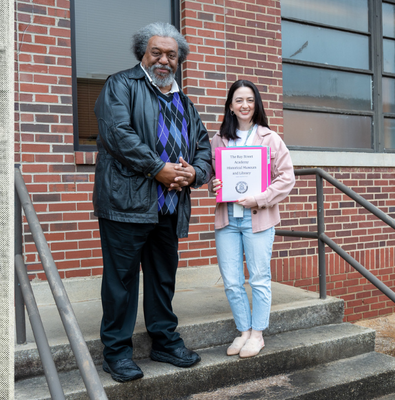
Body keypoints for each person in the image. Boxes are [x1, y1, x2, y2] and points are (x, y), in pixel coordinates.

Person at [92, 22, 213, 382]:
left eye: (171, 55)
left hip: (169, 205)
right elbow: (117, 135)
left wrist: (195, 173)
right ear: (142, 54)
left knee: (163, 278)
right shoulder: (120, 85)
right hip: (126, 204)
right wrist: (158, 168)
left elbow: (204, 148)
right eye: (156, 53)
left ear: (180, 60)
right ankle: (116, 352)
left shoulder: (185, 102)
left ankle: (163, 340)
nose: (164, 60)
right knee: (121, 282)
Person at [209, 80, 295, 358]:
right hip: (228, 220)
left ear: (256, 104)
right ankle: (243, 330)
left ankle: (257, 334)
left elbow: (287, 178)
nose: (244, 105)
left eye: (249, 100)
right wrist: (213, 185)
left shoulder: (271, 138)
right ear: (230, 107)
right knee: (232, 280)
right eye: (238, 100)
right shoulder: (218, 140)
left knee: (258, 278)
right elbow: (211, 176)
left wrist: (260, 197)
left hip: (257, 219)